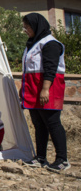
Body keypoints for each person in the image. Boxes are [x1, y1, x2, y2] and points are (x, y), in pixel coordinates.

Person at [20, 13, 69, 171]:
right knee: (39, 124)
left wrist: (45, 89)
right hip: (34, 89)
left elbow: (50, 68)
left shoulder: (50, 44)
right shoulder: (33, 44)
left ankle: (62, 159)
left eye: (27, 27)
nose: (25, 30)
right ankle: (40, 157)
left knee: (52, 123)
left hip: (47, 89)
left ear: (36, 26)